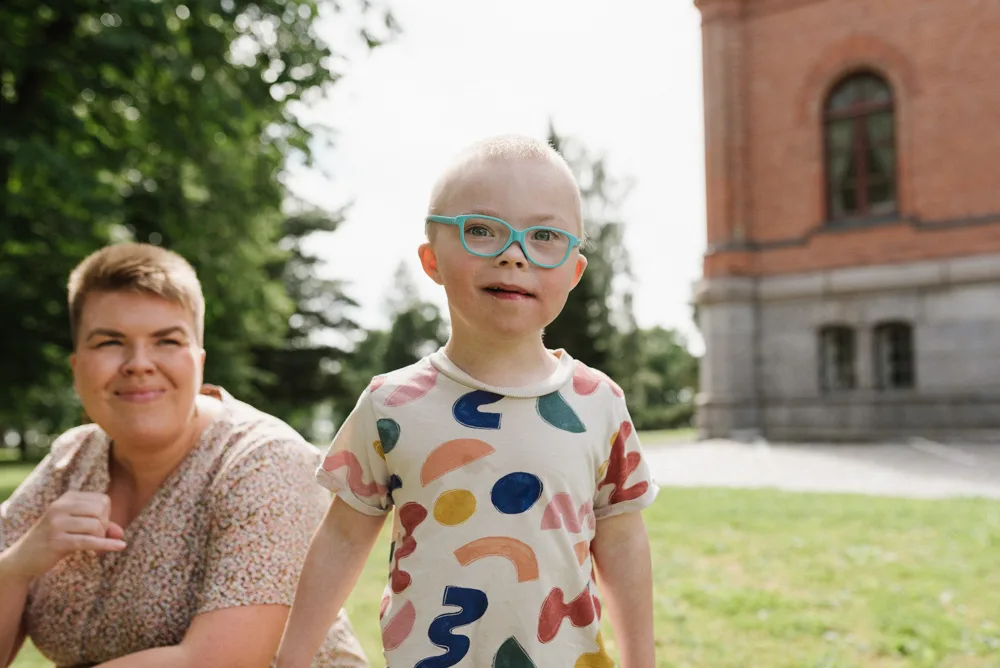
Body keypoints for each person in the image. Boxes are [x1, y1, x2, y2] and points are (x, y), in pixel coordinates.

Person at [275, 135, 658, 667]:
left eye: (544, 236)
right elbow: (341, 540)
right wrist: (289, 660)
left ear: (573, 271)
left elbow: (622, 545)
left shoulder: (599, 403)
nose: (512, 254)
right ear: (432, 259)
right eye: (481, 230)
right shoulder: (390, 404)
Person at [0, 243, 367, 668]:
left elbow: (220, 660)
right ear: (76, 365)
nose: (139, 363)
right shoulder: (69, 460)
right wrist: (17, 565)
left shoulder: (263, 460)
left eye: (166, 340)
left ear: (199, 360)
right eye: (110, 342)